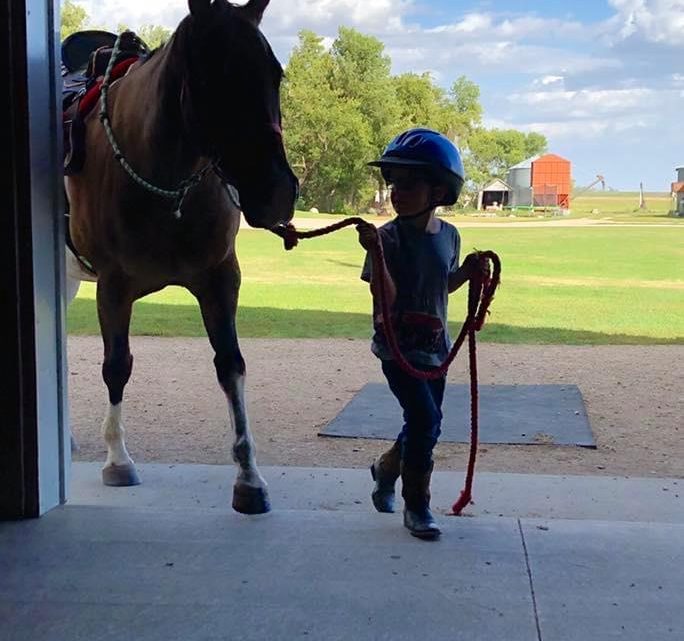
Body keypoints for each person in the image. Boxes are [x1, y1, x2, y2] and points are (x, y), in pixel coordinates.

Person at [356, 127, 481, 540]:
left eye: (410, 183)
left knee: (422, 422)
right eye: (394, 183)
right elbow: (385, 299)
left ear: (439, 190)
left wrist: (469, 273)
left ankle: (387, 467)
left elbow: (441, 284)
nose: (398, 192)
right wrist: (375, 251)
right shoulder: (387, 238)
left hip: (435, 351)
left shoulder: (450, 236)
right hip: (397, 350)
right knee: (426, 420)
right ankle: (418, 505)